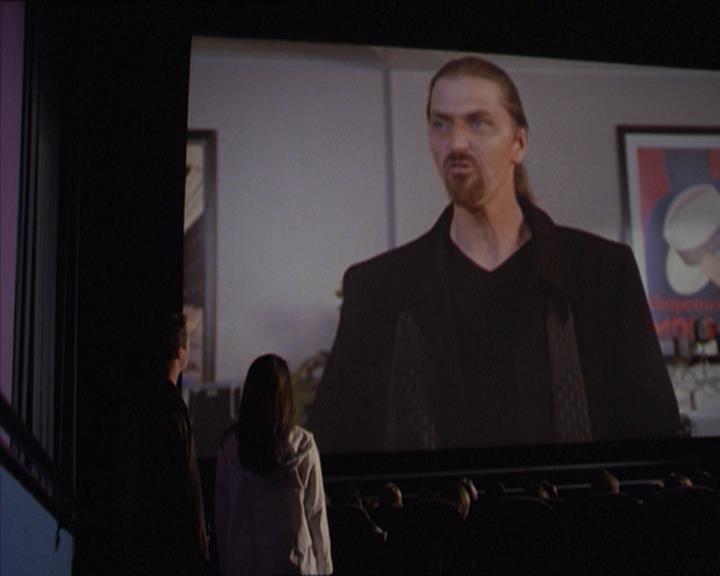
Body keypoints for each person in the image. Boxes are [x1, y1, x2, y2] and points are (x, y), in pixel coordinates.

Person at [309, 55, 681, 452]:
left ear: (518, 143)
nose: (456, 143)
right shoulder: (379, 289)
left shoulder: (602, 274)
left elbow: (657, 441)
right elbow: (332, 452)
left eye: (478, 122)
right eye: (441, 124)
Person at [214, 354, 333, 575]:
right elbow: (316, 515)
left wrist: (227, 564)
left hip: (244, 566)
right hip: (294, 566)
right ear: (286, 397)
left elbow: (222, 515)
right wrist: (325, 568)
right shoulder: (303, 445)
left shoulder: (230, 447)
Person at [127, 313, 209, 575]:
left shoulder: (140, 402)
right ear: (179, 351)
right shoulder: (172, 407)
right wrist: (200, 547)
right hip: (172, 544)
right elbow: (188, 481)